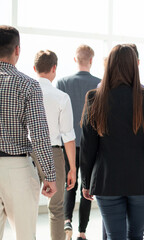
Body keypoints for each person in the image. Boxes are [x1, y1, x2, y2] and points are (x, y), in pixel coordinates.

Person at [80, 44, 144, 239]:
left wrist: (85, 182)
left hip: (106, 180)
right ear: (134, 66)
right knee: (136, 235)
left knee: (114, 236)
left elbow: (87, 146)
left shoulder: (94, 98)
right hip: (142, 181)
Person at [0, 25, 57, 240]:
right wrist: (50, 175)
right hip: (17, 169)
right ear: (17, 50)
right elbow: (39, 134)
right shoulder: (28, 85)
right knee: (25, 236)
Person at [56, 44, 100, 240]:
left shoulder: (63, 82)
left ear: (75, 59)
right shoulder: (100, 85)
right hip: (91, 144)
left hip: (68, 143)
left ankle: (67, 221)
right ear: (91, 60)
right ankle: (82, 231)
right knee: (87, 187)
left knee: (69, 183)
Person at [33, 50, 77, 240]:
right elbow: (68, 136)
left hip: (27, 153)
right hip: (53, 153)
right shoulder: (61, 97)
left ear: (34, 69)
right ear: (54, 69)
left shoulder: (25, 92)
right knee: (57, 208)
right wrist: (72, 168)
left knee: (25, 206)